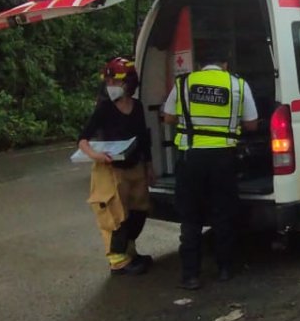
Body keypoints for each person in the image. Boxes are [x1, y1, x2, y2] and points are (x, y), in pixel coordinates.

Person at [162, 45, 258, 290]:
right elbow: (252, 124)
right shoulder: (238, 84)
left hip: (191, 158)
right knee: (223, 214)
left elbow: (168, 117)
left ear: (199, 65)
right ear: (225, 64)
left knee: (190, 217)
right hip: (223, 159)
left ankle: (190, 276)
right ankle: (225, 268)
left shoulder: (184, 83)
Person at [77, 57, 155, 276]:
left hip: (135, 166)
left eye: (115, 82)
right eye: (108, 82)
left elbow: (143, 138)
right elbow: (83, 139)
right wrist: (96, 155)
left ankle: (130, 250)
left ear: (128, 83)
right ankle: (118, 261)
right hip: (111, 170)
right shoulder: (104, 109)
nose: (110, 86)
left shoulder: (137, 107)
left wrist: (149, 166)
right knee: (115, 215)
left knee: (139, 210)